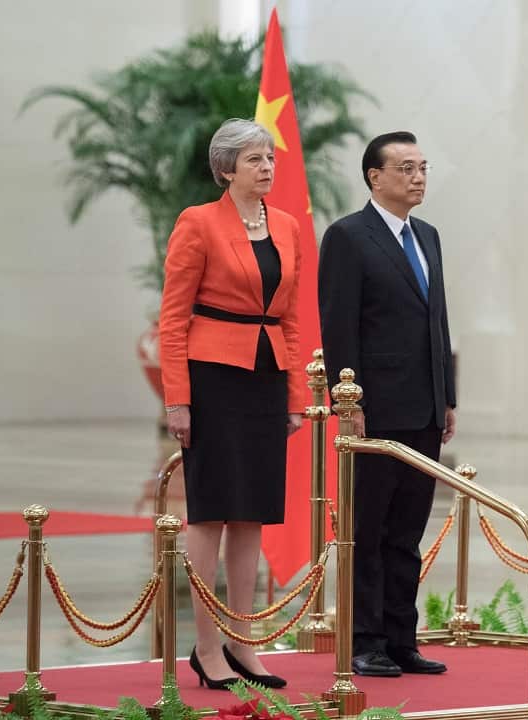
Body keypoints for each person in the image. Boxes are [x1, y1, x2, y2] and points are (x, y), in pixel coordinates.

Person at [159, 118, 304, 690]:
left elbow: (290, 318)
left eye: (270, 158)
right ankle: (207, 646)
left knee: (253, 514)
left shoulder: (288, 226)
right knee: (212, 511)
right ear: (225, 170)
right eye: (253, 160)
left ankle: (244, 643)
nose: (267, 167)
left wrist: (294, 396)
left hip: (266, 379)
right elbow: (172, 320)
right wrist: (178, 401)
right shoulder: (197, 223)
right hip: (212, 379)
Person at [319, 131, 457, 677]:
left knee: (407, 533)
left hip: (423, 408)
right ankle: (364, 640)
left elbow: (437, 322)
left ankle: (402, 638)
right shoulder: (348, 237)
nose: (418, 177)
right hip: (373, 408)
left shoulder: (428, 235)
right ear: (375, 177)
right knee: (370, 530)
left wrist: (447, 396)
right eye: (405, 168)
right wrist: (346, 399)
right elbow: (339, 324)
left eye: (422, 167)